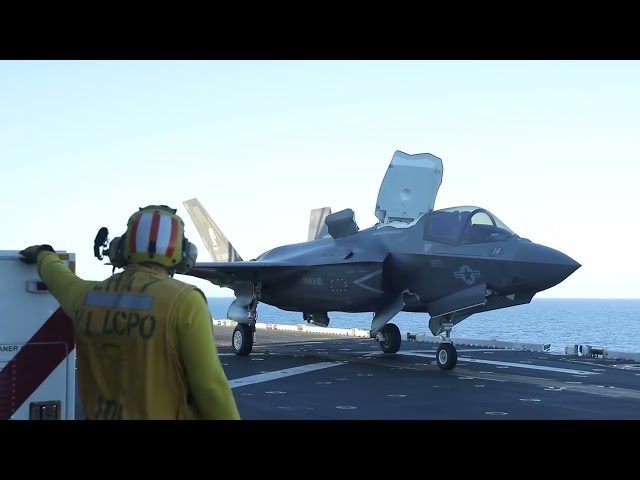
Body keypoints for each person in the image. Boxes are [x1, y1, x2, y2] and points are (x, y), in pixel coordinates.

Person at [20, 204, 241, 420]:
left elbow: (59, 278)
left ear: (120, 248)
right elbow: (211, 387)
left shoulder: (86, 296)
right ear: (184, 255)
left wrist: (44, 255)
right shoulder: (185, 302)